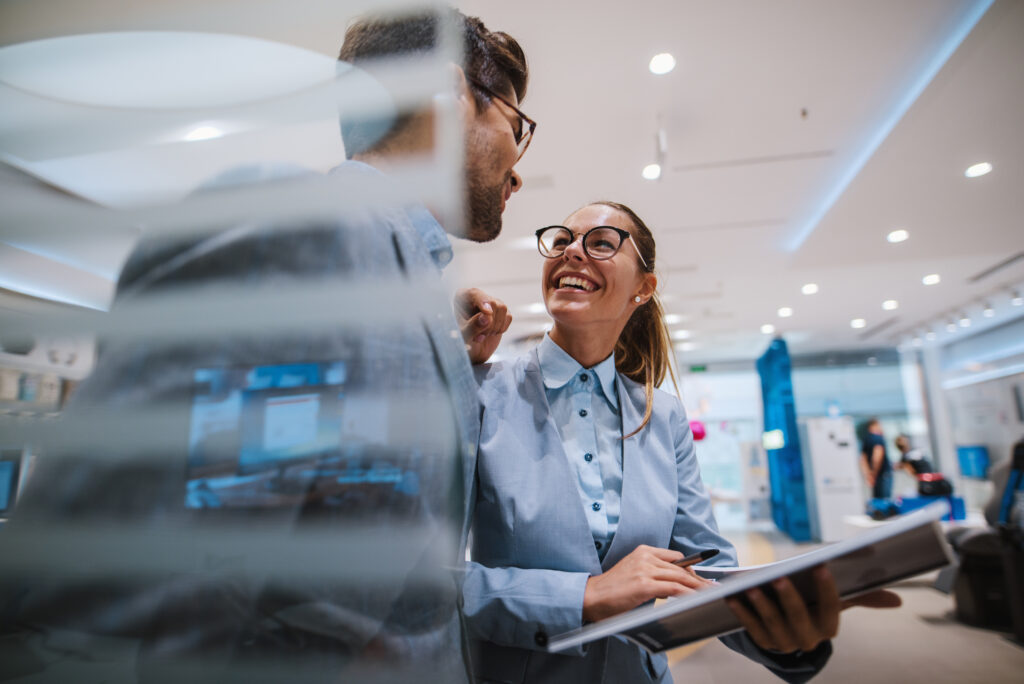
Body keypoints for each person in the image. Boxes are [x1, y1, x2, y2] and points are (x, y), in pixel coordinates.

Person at [2, 8, 526, 683]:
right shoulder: (309, 231)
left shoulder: (396, 284)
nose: (516, 165)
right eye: (517, 126)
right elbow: (100, 612)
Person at [462, 201, 900, 683]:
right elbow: (426, 582)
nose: (572, 253)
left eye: (601, 243)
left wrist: (781, 631)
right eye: (563, 241)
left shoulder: (663, 414)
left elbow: (707, 570)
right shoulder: (480, 393)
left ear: (643, 288)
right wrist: (584, 596)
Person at [859, 418, 892, 499]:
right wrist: (874, 473)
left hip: (874, 475)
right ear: (874, 426)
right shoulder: (878, 438)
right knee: (885, 501)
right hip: (883, 474)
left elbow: (863, 459)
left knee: (877, 500)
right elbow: (877, 457)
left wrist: (868, 475)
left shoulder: (866, 439)